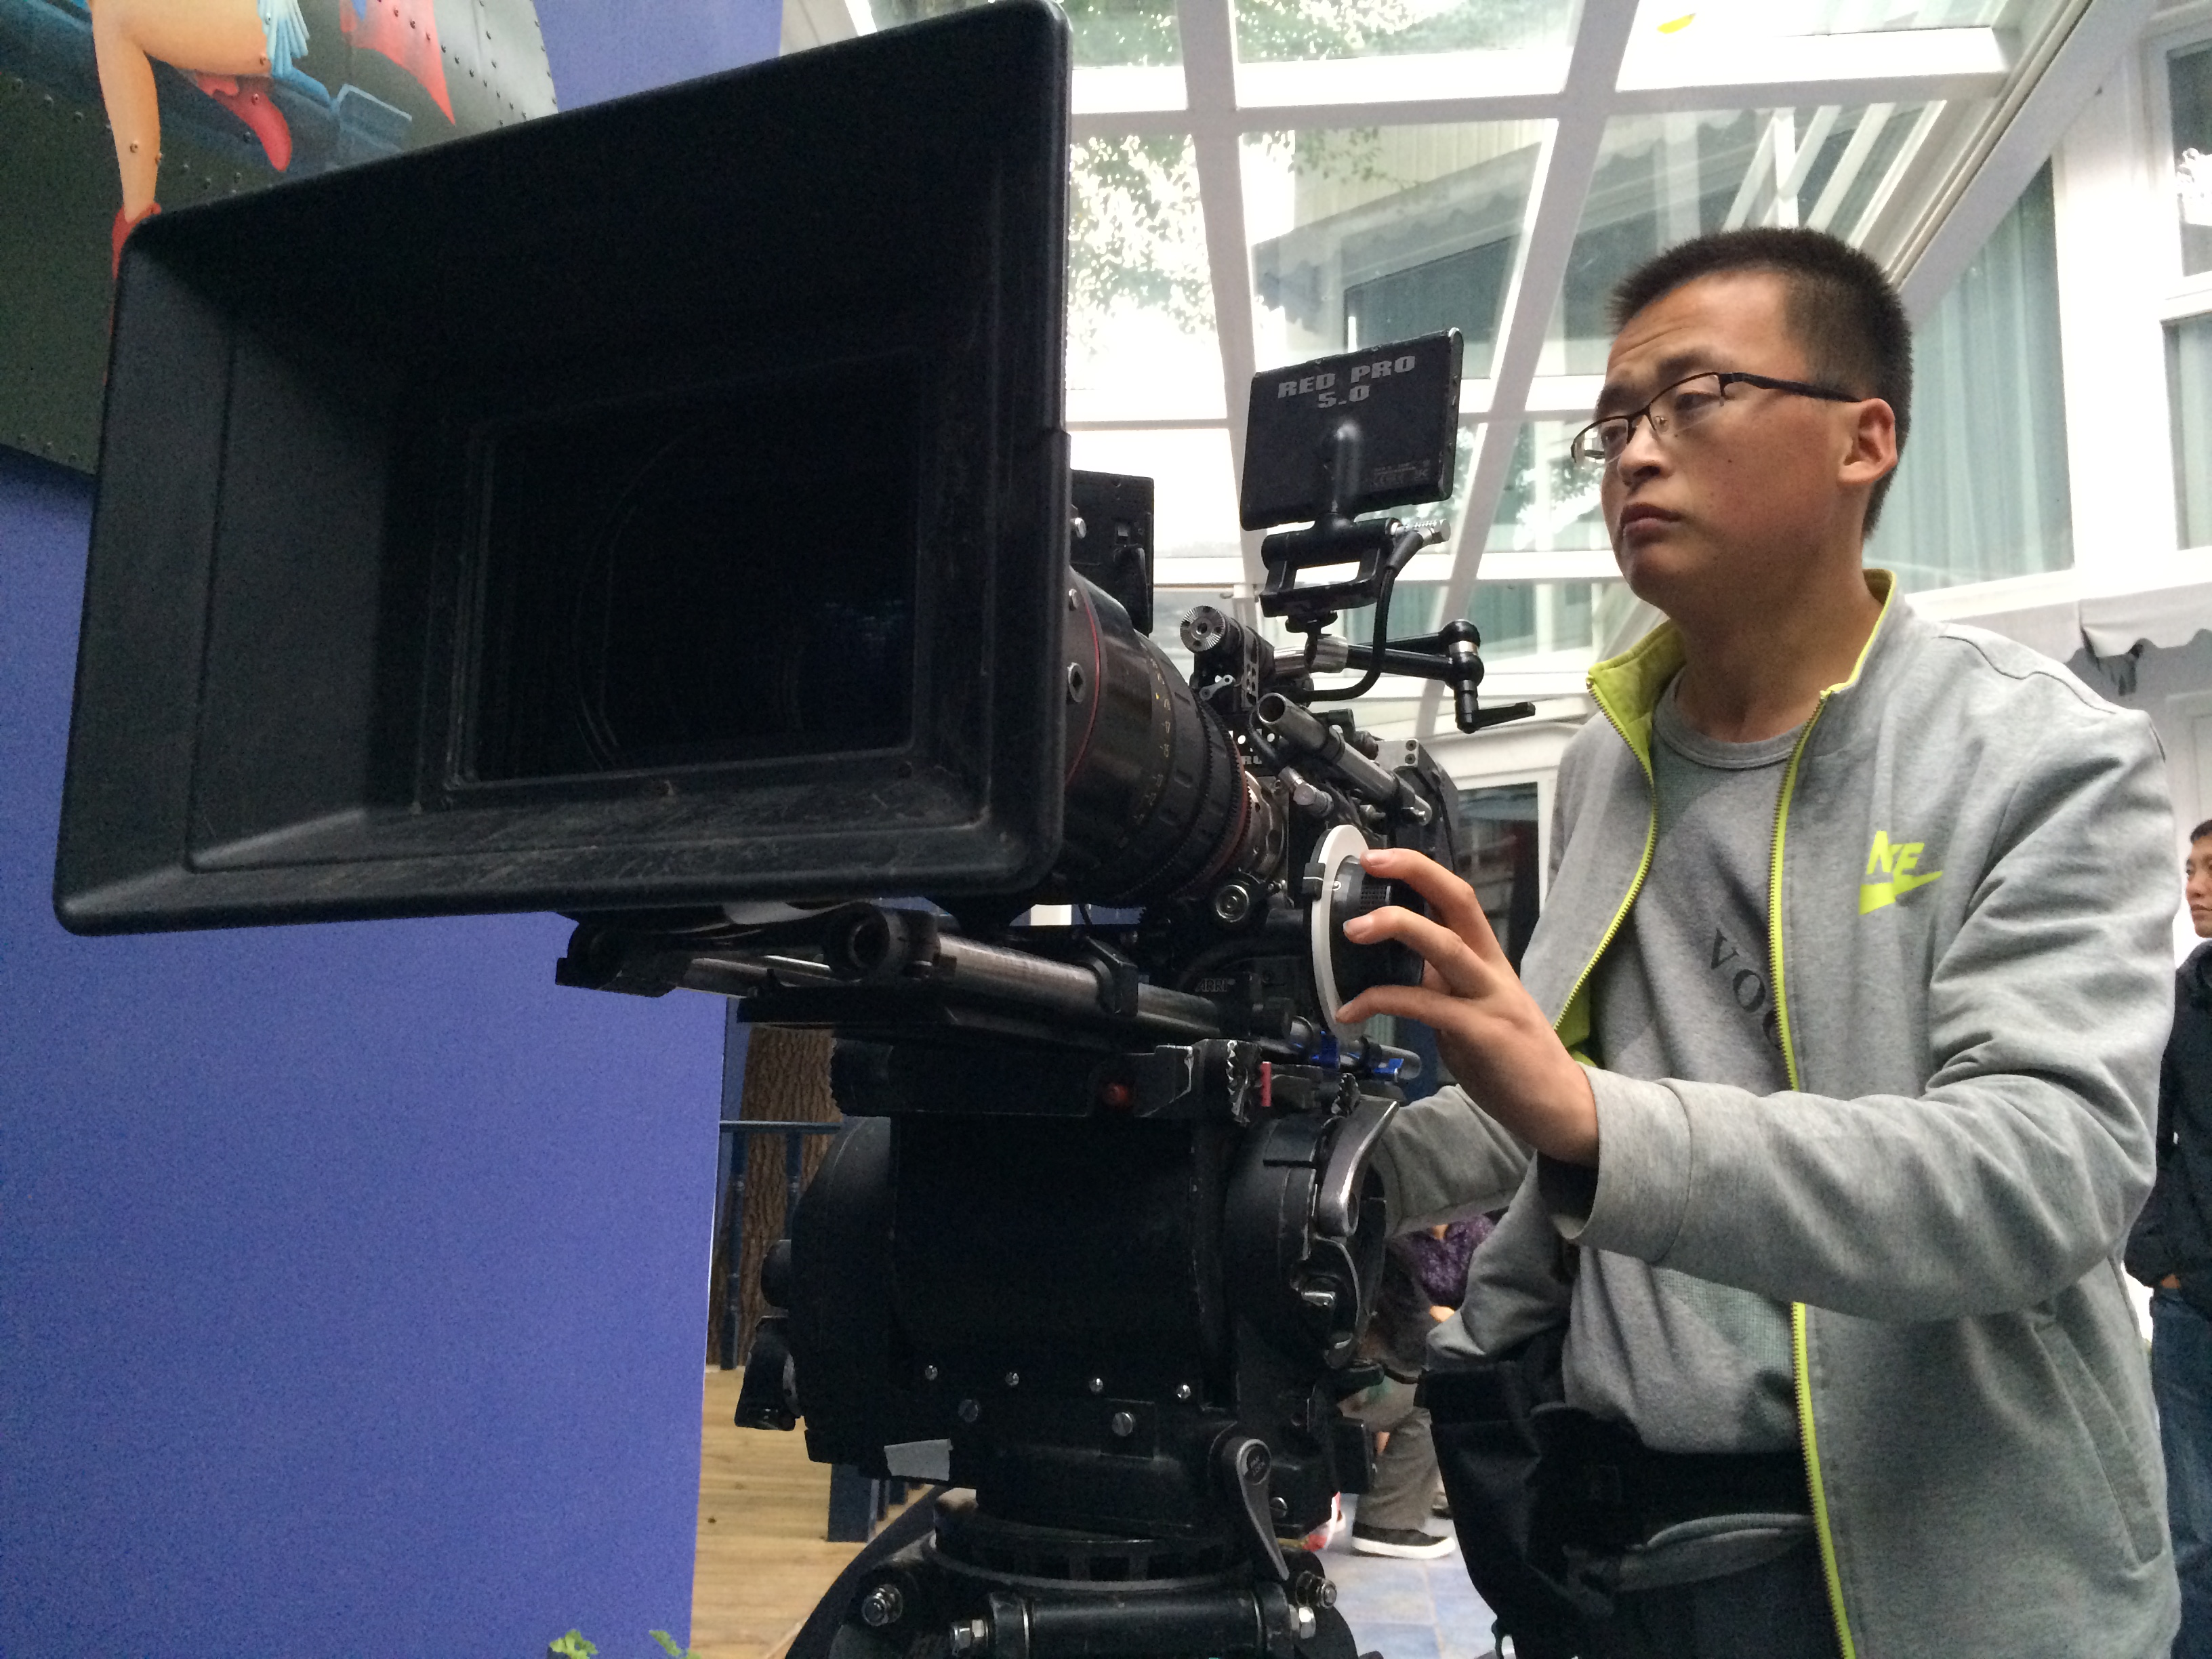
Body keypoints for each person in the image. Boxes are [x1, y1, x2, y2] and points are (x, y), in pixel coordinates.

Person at [1356, 226, 2179, 1658]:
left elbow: (2045, 1170)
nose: (1633, 452)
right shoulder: (1607, 761)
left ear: (1864, 438)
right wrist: (1337, 1176)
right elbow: (1543, 1098)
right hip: (1615, 1543)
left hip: (1941, 1570)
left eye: (1692, 398)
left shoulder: (2042, 753)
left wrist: (1596, 1122)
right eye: (1613, 422)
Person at [2128, 821, 2212, 1659]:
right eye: (2191, 869)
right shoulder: (2179, 1000)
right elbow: (2144, 1142)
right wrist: (2160, 1261)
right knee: (2196, 1536)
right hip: (2192, 1316)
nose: (2194, 886)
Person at [1340, 1219, 1492, 1559]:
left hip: (1284, 1378)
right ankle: (1386, 1522)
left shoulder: (1475, 1233)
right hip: (1345, 1382)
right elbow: (1410, 1323)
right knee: (1434, 1398)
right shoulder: (1386, 1240)